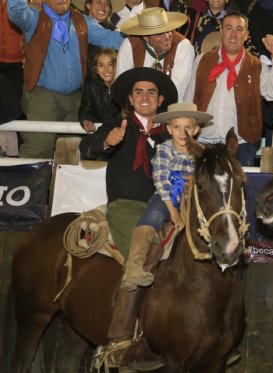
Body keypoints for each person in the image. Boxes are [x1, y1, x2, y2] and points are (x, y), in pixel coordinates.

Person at [80, 67, 178, 370]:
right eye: (139, 92)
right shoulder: (117, 123)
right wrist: (108, 142)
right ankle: (121, 342)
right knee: (140, 260)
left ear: (160, 99)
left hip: (167, 207)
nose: (145, 97)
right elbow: (87, 147)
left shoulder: (171, 131)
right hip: (125, 205)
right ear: (130, 99)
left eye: (151, 92)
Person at [7, 0, 124, 158]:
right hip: (42, 96)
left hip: (76, 98)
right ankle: (28, 183)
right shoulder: (33, 18)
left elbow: (113, 39)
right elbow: (16, 10)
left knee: (71, 153)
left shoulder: (82, 21)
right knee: (39, 149)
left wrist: (145, 41)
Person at [120, 102, 211, 291]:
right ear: (169, 129)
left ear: (195, 129)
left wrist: (193, 182)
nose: (182, 132)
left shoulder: (202, 153)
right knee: (154, 215)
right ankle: (133, 267)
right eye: (177, 127)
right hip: (167, 196)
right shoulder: (164, 149)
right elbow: (161, 180)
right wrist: (173, 212)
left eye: (187, 127)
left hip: (194, 197)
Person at [185, 11, 273, 166]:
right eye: (229, 28)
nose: (233, 34)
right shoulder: (201, 60)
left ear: (246, 35)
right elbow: (188, 101)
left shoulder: (257, 65)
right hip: (203, 142)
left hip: (242, 145)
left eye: (239, 29)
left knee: (241, 190)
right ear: (221, 32)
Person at [116, 7, 195, 103]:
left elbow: (176, 93)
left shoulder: (183, 47)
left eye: (168, 30)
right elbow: (122, 86)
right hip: (136, 108)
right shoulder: (130, 45)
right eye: (159, 34)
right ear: (145, 37)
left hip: (170, 111)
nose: (166, 37)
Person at [79, 48, 120, 132]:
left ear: (117, 65)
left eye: (110, 64)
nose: (106, 69)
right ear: (96, 68)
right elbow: (85, 110)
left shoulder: (125, 84)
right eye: (101, 65)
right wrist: (86, 120)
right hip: (100, 133)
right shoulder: (91, 84)